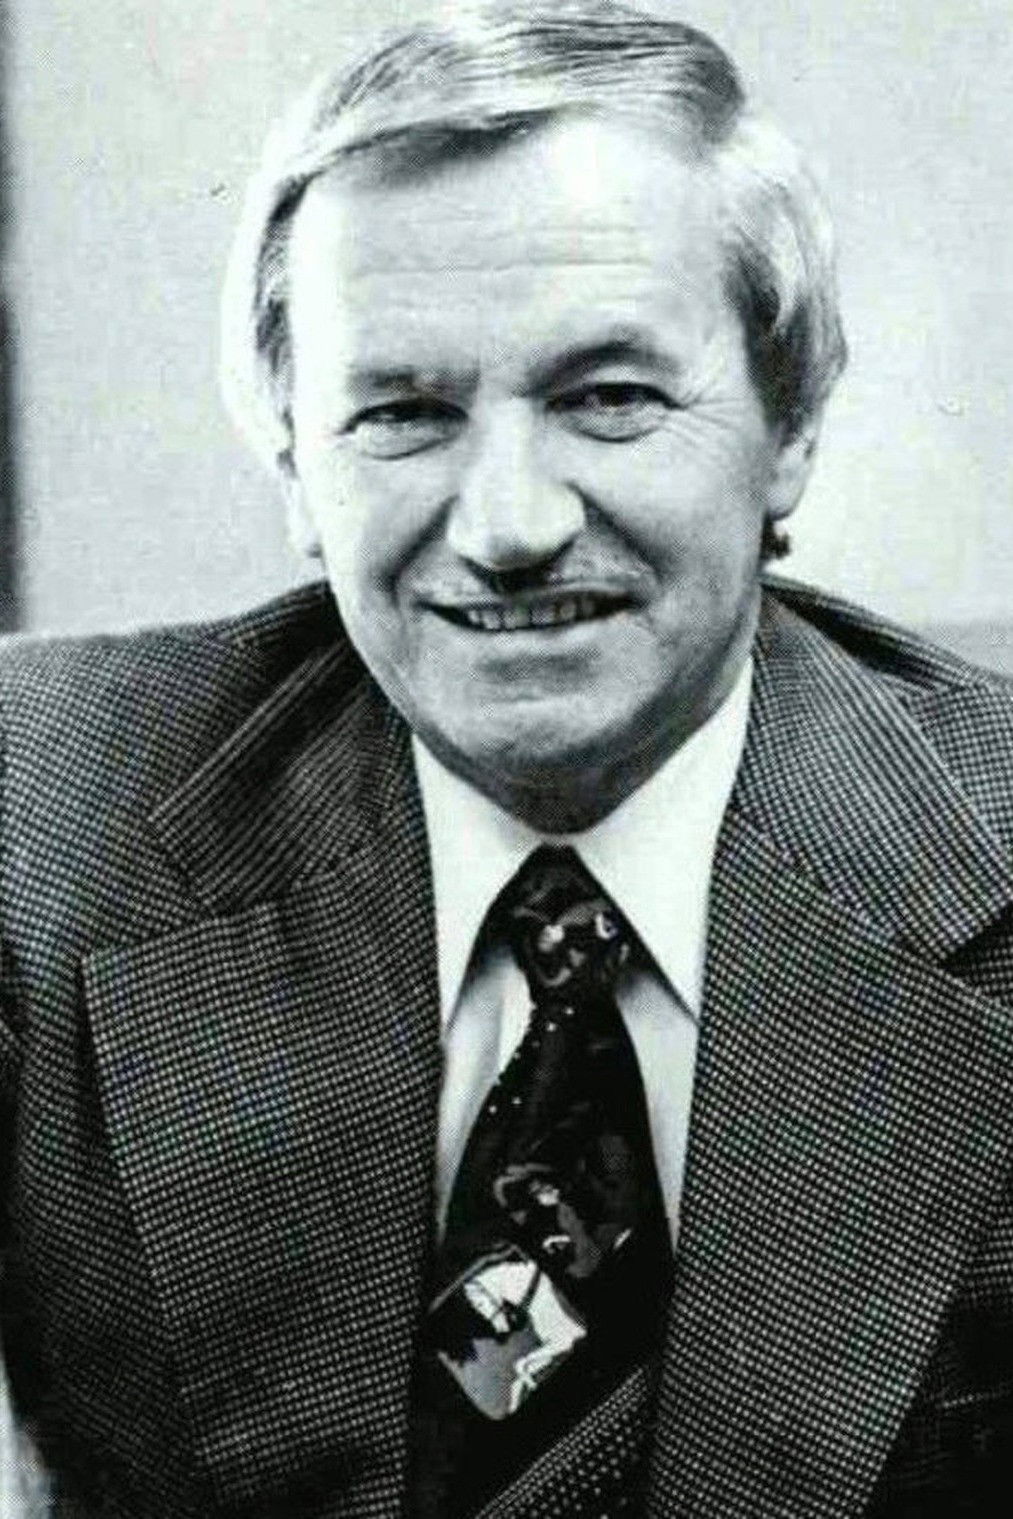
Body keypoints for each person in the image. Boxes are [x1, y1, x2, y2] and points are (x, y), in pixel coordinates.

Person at [1, 2, 1011, 1514]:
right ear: (296, 464)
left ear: (790, 427)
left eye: (610, 399)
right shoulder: (37, 810)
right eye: (402, 413)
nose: (509, 525)